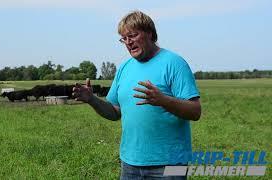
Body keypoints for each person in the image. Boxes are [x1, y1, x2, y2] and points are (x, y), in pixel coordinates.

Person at [73, 11, 201, 179]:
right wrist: (91, 99)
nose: (128, 42)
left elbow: (195, 111)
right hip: (130, 164)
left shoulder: (174, 63)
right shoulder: (125, 67)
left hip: (169, 164)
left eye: (132, 36)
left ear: (150, 33)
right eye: (124, 39)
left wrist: (163, 100)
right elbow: (114, 111)